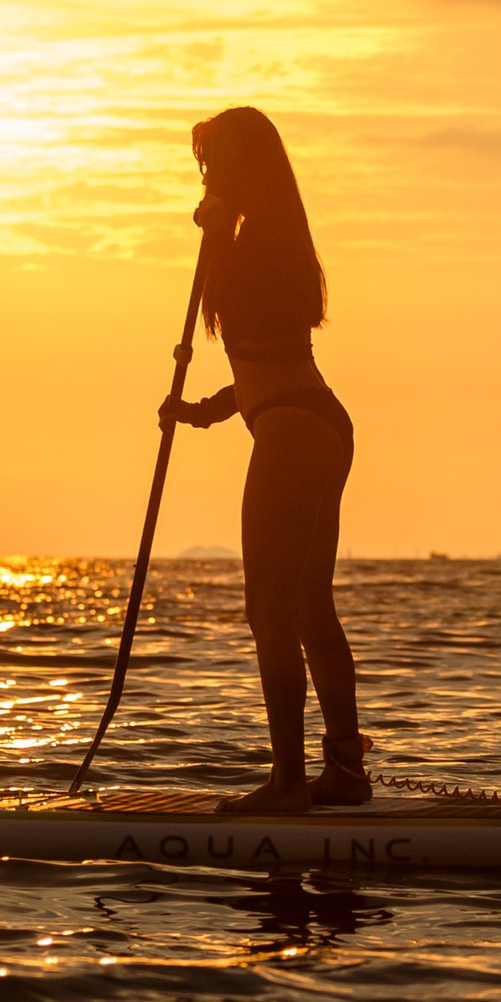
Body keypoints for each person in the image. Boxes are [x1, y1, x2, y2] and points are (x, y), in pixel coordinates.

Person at [162, 107, 368, 812]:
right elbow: (264, 359)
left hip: (292, 433)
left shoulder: (264, 243)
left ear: (243, 167)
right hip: (311, 423)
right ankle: (343, 772)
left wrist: (217, 241)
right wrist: (205, 411)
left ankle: (289, 782)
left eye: (214, 163)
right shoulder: (272, 236)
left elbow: (253, 326)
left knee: (269, 610)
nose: (207, 177)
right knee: (310, 606)